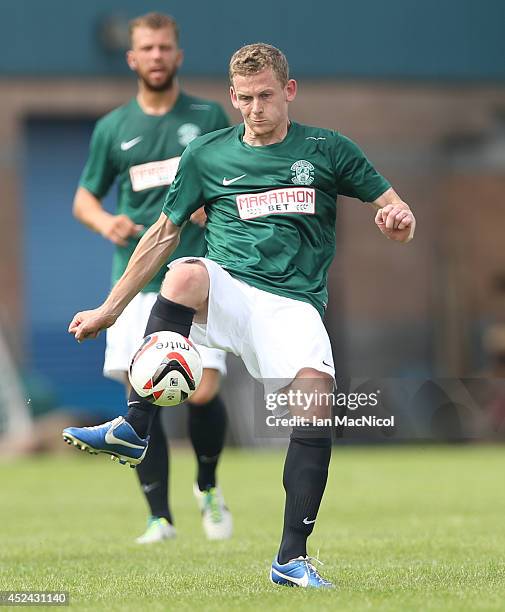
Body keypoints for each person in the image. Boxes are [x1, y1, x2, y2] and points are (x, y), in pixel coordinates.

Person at [64, 43, 416, 588]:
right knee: (183, 272)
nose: (257, 109)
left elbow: (396, 210)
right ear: (233, 97)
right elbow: (162, 234)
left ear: (289, 91)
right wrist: (110, 310)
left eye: (267, 96)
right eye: (246, 99)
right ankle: (136, 426)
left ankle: (291, 558)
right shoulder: (206, 153)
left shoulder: (328, 149)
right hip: (228, 287)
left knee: (316, 403)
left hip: (292, 306)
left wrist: (398, 221)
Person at [70, 12, 232, 544]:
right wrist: (105, 221)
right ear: (132, 58)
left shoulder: (208, 115)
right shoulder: (114, 128)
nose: (157, 56)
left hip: (195, 277)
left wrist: (217, 209)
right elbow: (84, 198)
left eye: (165, 47)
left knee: (202, 390)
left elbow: (234, 179)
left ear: (178, 56)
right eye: (148, 48)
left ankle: (207, 486)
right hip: (135, 281)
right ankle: (159, 518)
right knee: (144, 394)